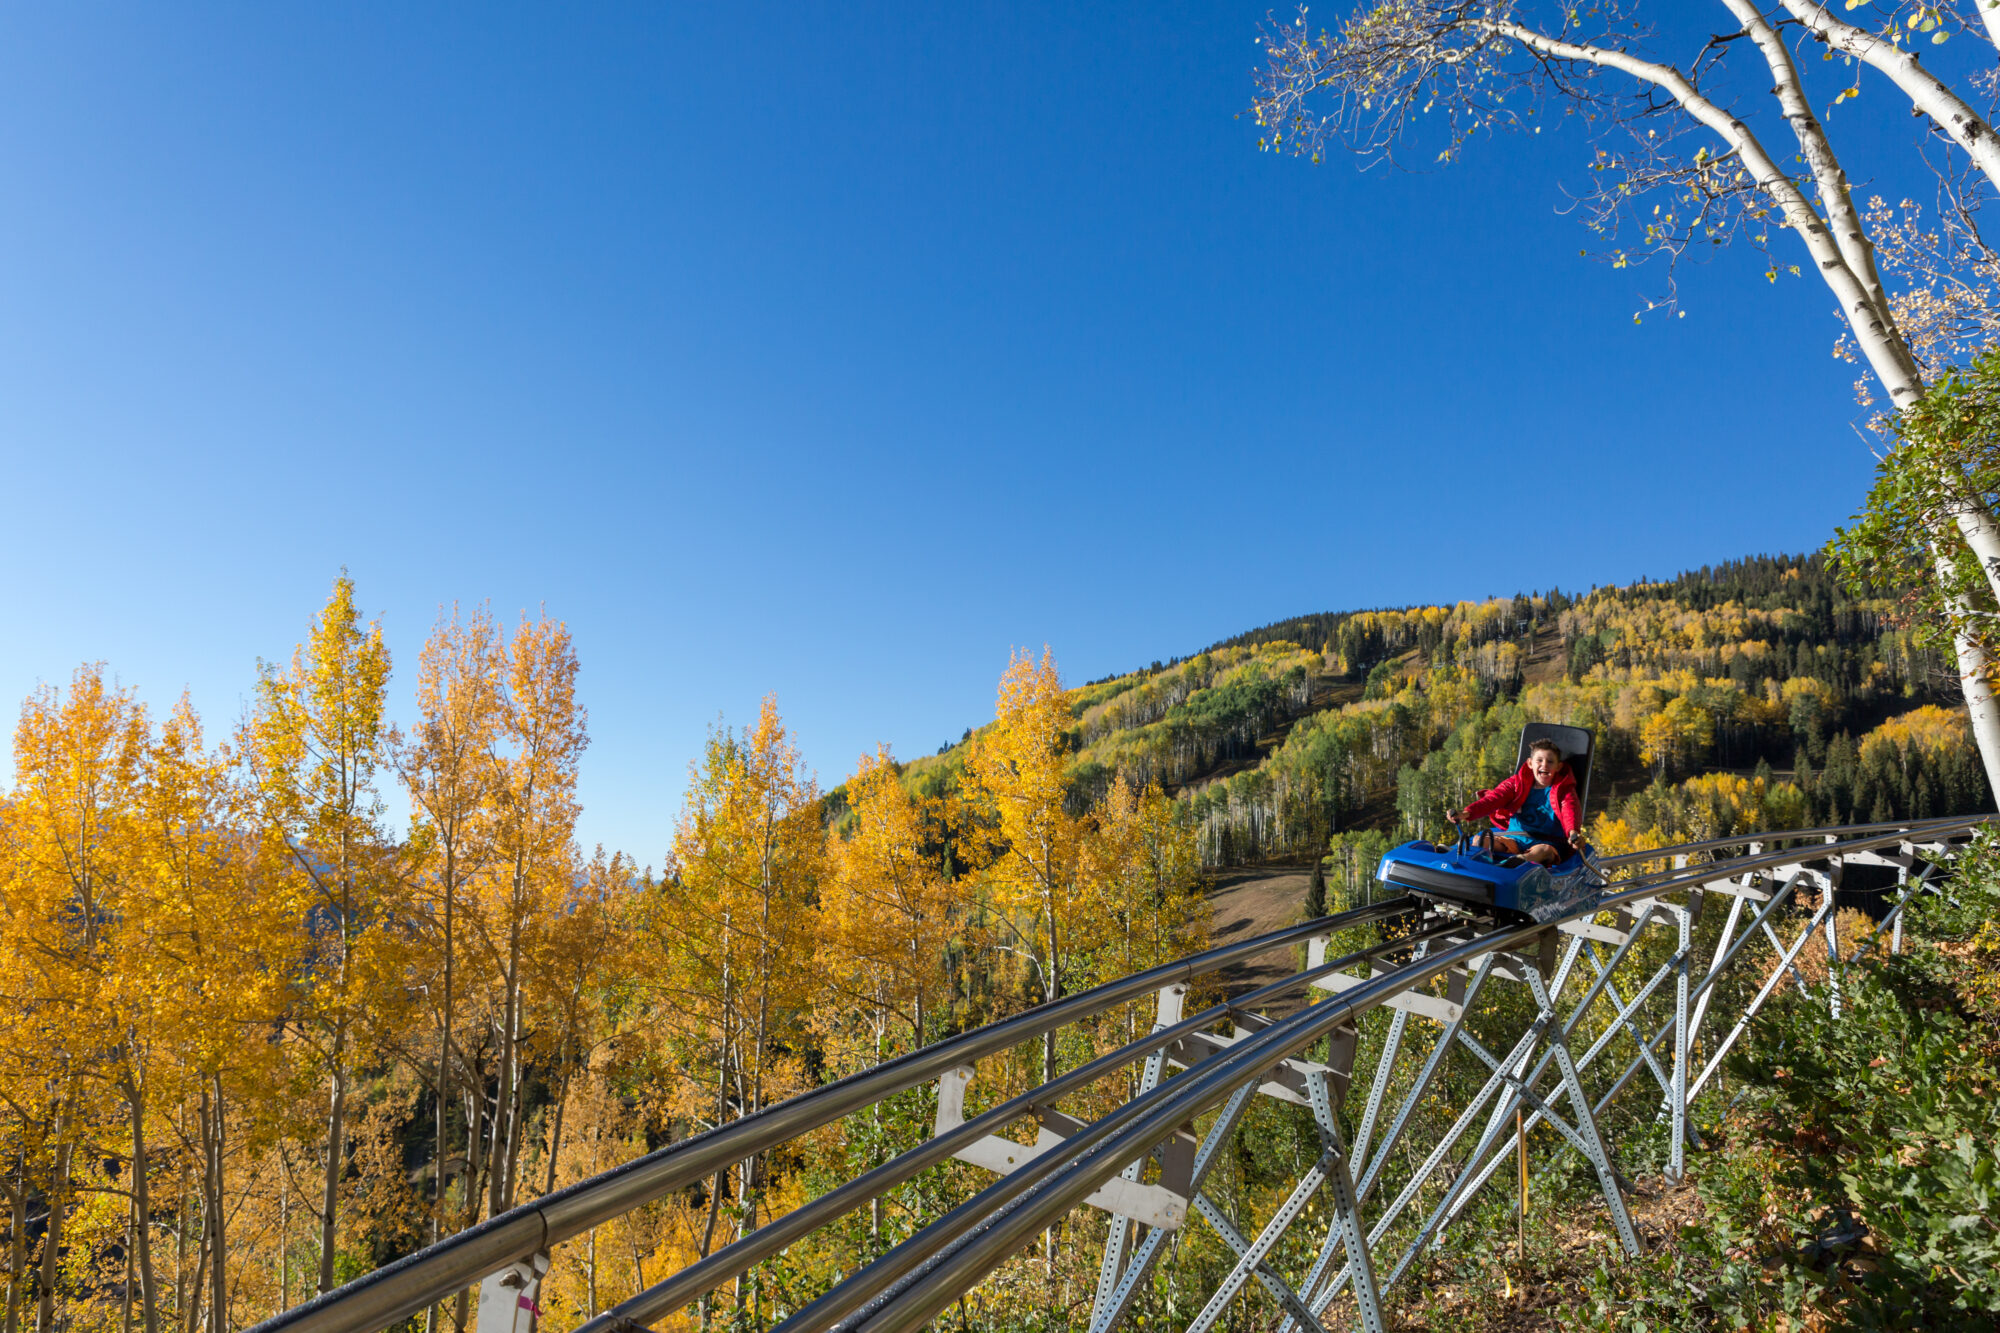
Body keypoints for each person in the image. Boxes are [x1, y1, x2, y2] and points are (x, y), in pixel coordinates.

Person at [1446, 739, 1582, 866]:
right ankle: (1472, 867)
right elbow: (1493, 799)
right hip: (1514, 840)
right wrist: (1467, 813)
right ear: (1530, 763)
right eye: (1539, 760)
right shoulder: (1517, 784)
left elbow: (1570, 811)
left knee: (1542, 851)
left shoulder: (1564, 791)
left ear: (1558, 767)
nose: (1544, 765)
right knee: (1480, 840)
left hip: (1546, 843)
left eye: (1550, 762)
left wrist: (1573, 833)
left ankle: (1516, 864)